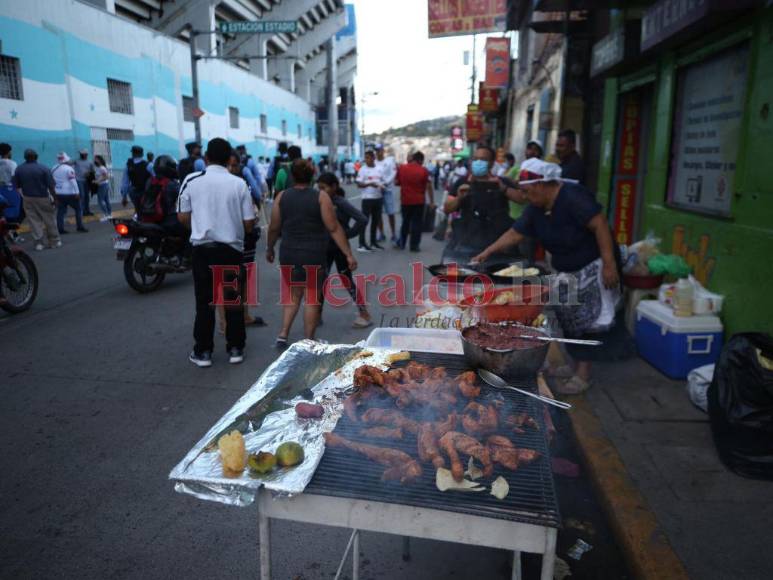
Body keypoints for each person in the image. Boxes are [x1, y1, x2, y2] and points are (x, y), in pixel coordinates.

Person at [472, 158, 621, 394]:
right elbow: (515, 233)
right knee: (569, 320)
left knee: (589, 322)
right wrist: (487, 252)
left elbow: (600, 225)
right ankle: (572, 365)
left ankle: (583, 375)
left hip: (591, 267)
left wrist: (610, 264)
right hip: (565, 270)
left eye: (527, 191)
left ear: (543, 184)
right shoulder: (536, 207)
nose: (525, 196)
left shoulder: (572, 197)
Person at [177, 138, 255, 368]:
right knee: (233, 301)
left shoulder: (191, 180)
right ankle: (235, 349)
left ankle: (203, 352)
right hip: (231, 250)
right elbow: (249, 223)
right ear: (229, 159)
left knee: (204, 303)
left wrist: (201, 226)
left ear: (206, 158)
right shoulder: (238, 184)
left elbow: (182, 216)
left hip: (202, 250)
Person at [267, 159, 357, 345]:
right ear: (312, 176)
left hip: (289, 252)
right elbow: (333, 227)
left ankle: (283, 334)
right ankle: (309, 340)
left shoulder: (282, 196)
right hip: (313, 253)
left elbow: (274, 227)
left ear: (292, 175)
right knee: (312, 296)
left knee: (293, 293)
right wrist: (348, 254)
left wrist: (270, 248)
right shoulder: (321, 197)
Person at [442, 145, 521, 263]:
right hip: (467, 244)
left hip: (498, 246)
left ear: (492, 163)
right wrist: (459, 198)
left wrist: (503, 188)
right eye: (475, 159)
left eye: (483, 159)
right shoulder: (462, 182)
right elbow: (447, 208)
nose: (478, 162)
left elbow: (521, 198)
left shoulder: (501, 182)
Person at [215, 153, 266, 334]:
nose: (232, 169)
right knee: (224, 282)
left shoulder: (242, 185)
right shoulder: (218, 187)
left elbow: (253, 211)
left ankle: (244, 315)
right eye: (229, 165)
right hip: (228, 241)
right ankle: (224, 322)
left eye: (235, 166)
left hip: (245, 241)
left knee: (244, 279)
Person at [317, 172, 372, 329]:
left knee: (346, 280)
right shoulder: (319, 201)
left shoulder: (340, 202)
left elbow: (362, 219)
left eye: (324, 187)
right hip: (323, 249)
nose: (321, 191)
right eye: (319, 188)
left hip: (340, 249)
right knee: (321, 281)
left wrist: (347, 234)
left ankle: (364, 313)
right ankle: (316, 314)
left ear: (334, 187)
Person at [13, 149, 59, 250]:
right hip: (43, 197)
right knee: (49, 219)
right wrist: (55, 198)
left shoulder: (19, 169)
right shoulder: (43, 168)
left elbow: (17, 185)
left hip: (28, 198)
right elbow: (51, 186)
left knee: (34, 221)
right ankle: (54, 241)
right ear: (36, 156)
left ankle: (39, 243)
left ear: (25, 157)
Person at [395, 150, 434, 252]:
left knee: (405, 222)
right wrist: (432, 201)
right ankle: (414, 246)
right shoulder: (424, 170)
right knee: (417, 224)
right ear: (420, 160)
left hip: (405, 201)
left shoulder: (402, 168)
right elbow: (428, 186)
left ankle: (402, 243)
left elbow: (397, 182)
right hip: (419, 201)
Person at [355, 150, 385, 252]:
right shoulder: (362, 169)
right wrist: (370, 184)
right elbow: (358, 184)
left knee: (375, 221)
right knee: (364, 221)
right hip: (367, 199)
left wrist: (382, 186)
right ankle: (361, 244)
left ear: (373, 158)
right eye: (365, 158)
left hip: (378, 198)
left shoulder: (380, 169)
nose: (366, 160)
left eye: (368, 158)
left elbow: (383, 181)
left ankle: (373, 243)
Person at [52, 152, 87, 234]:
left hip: (58, 193)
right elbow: (73, 181)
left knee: (61, 211)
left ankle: (60, 229)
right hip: (69, 193)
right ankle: (80, 226)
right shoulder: (69, 169)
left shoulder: (54, 168)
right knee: (78, 209)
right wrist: (77, 192)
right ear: (66, 159)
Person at [375, 145, 398, 244]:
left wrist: (386, 183)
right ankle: (381, 233)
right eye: (376, 150)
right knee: (378, 214)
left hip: (388, 190)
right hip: (377, 191)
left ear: (383, 151)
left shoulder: (389, 160)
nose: (378, 152)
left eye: (379, 150)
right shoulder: (374, 162)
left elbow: (393, 173)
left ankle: (393, 234)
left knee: (390, 213)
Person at [120, 145, 151, 210]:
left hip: (133, 191)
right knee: (146, 210)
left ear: (132, 154)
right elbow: (156, 177)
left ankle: (138, 215)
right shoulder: (148, 165)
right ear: (142, 154)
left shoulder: (128, 165)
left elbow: (125, 182)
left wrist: (124, 196)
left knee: (138, 208)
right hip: (146, 192)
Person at [0, 143, 22, 228]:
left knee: (2, 211)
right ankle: (12, 231)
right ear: (8, 152)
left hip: (1, 190)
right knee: (14, 211)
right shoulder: (12, 163)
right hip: (10, 190)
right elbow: (14, 177)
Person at [73, 149, 96, 216]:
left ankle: (87, 211)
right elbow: (68, 162)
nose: (81, 155)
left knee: (86, 196)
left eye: (82, 154)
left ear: (86, 155)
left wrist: (89, 173)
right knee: (82, 195)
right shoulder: (76, 160)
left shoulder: (90, 162)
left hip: (87, 181)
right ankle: (81, 211)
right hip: (79, 180)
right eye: (81, 154)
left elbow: (93, 171)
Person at [93, 155, 112, 221]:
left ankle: (106, 215)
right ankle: (109, 215)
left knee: (100, 200)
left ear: (100, 160)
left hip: (102, 185)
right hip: (104, 185)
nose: (94, 160)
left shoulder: (102, 168)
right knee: (106, 200)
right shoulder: (99, 168)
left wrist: (97, 181)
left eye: (96, 159)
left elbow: (106, 176)